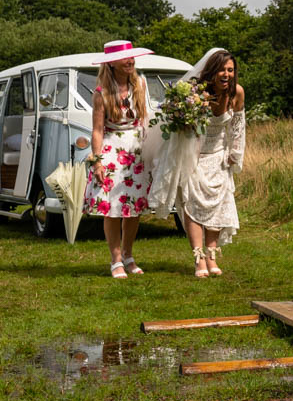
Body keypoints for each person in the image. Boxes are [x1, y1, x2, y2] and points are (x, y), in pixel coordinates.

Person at [148, 48, 245, 278]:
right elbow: (180, 127)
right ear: (211, 71)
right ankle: (198, 257)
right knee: (191, 205)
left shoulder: (237, 93)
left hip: (219, 154)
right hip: (194, 155)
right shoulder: (195, 93)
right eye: (221, 69)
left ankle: (212, 255)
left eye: (230, 70)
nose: (226, 74)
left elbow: (238, 125)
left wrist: (235, 152)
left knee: (217, 205)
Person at [83, 40, 154, 279]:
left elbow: (145, 120)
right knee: (112, 208)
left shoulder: (141, 84)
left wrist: (151, 151)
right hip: (112, 150)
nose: (130, 61)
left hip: (136, 150)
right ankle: (116, 260)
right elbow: (97, 130)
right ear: (112, 63)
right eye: (125, 58)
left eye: (132, 57)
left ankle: (128, 254)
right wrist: (98, 161)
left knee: (133, 208)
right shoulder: (101, 92)